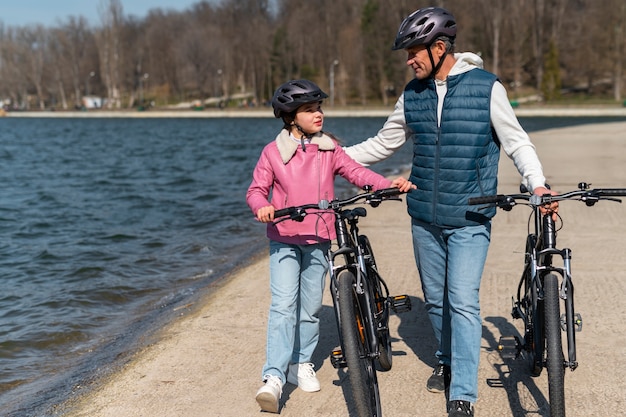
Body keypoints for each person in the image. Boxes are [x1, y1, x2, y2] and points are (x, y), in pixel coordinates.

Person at [344, 7, 557, 417]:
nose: (409, 60)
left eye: (414, 51)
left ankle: (462, 392)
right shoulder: (412, 94)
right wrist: (331, 158)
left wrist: (538, 183)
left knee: (461, 299)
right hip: (424, 215)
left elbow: (516, 142)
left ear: (439, 48)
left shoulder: (485, 88)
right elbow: (380, 145)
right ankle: (446, 360)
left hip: (470, 216)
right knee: (437, 303)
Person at [246, 79, 412, 413]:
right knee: (282, 306)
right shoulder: (273, 152)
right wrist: (261, 206)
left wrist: (387, 185)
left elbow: (355, 172)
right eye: (309, 109)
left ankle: (302, 362)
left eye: (319, 107)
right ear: (291, 117)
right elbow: (255, 190)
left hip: (320, 238)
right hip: (284, 240)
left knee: (309, 308)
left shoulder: (328, 149)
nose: (318, 114)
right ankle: (274, 377)